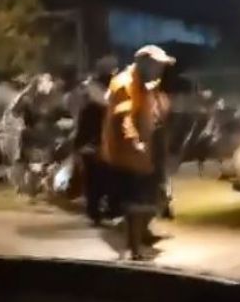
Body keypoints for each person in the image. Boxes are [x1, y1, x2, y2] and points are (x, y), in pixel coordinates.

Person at [101, 45, 175, 261]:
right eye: (157, 65)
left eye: (162, 66)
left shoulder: (145, 84)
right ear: (144, 63)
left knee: (150, 198)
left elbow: (152, 111)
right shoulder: (125, 84)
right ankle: (134, 249)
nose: (160, 70)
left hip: (143, 154)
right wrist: (137, 143)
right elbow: (124, 119)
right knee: (136, 202)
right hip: (128, 156)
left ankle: (140, 237)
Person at [71, 55, 120, 226]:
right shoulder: (93, 92)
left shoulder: (101, 91)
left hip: (101, 142)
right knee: (96, 178)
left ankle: (103, 210)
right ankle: (97, 211)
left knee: (102, 178)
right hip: (95, 142)